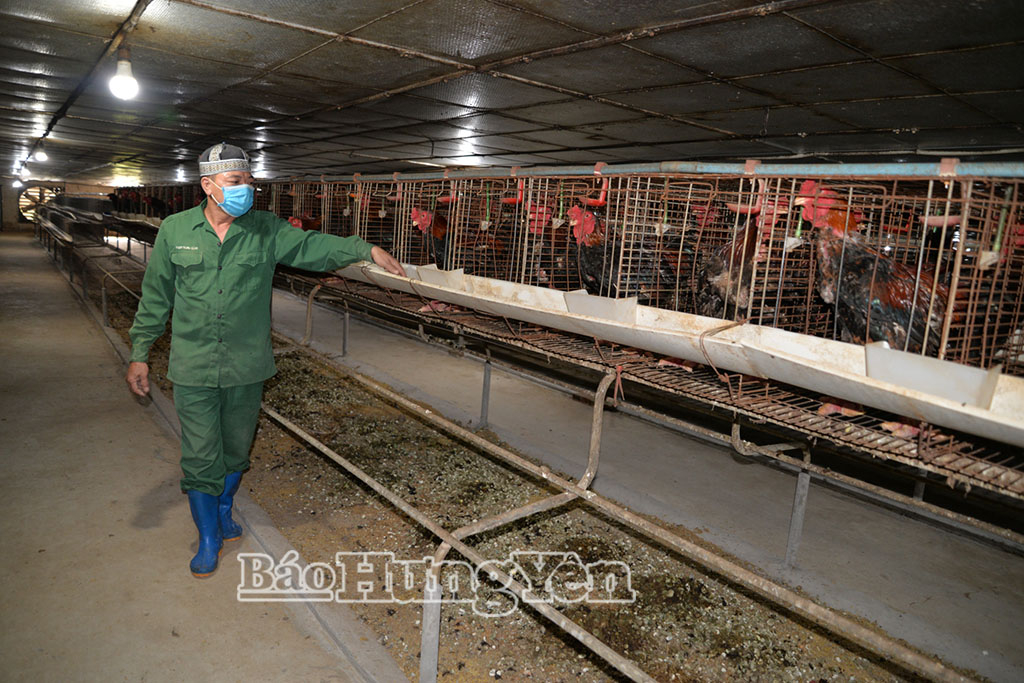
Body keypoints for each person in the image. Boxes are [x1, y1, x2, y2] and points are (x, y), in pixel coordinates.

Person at [125, 142, 404, 578]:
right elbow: (156, 296)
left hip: (246, 365)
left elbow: (312, 246)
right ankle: (209, 538)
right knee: (201, 455)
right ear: (208, 186)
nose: (247, 189)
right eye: (235, 181)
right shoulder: (175, 230)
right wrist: (139, 352)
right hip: (193, 364)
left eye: (249, 181)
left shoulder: (266, 229)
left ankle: (223, 509)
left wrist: (363, 249)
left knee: (236, 450)